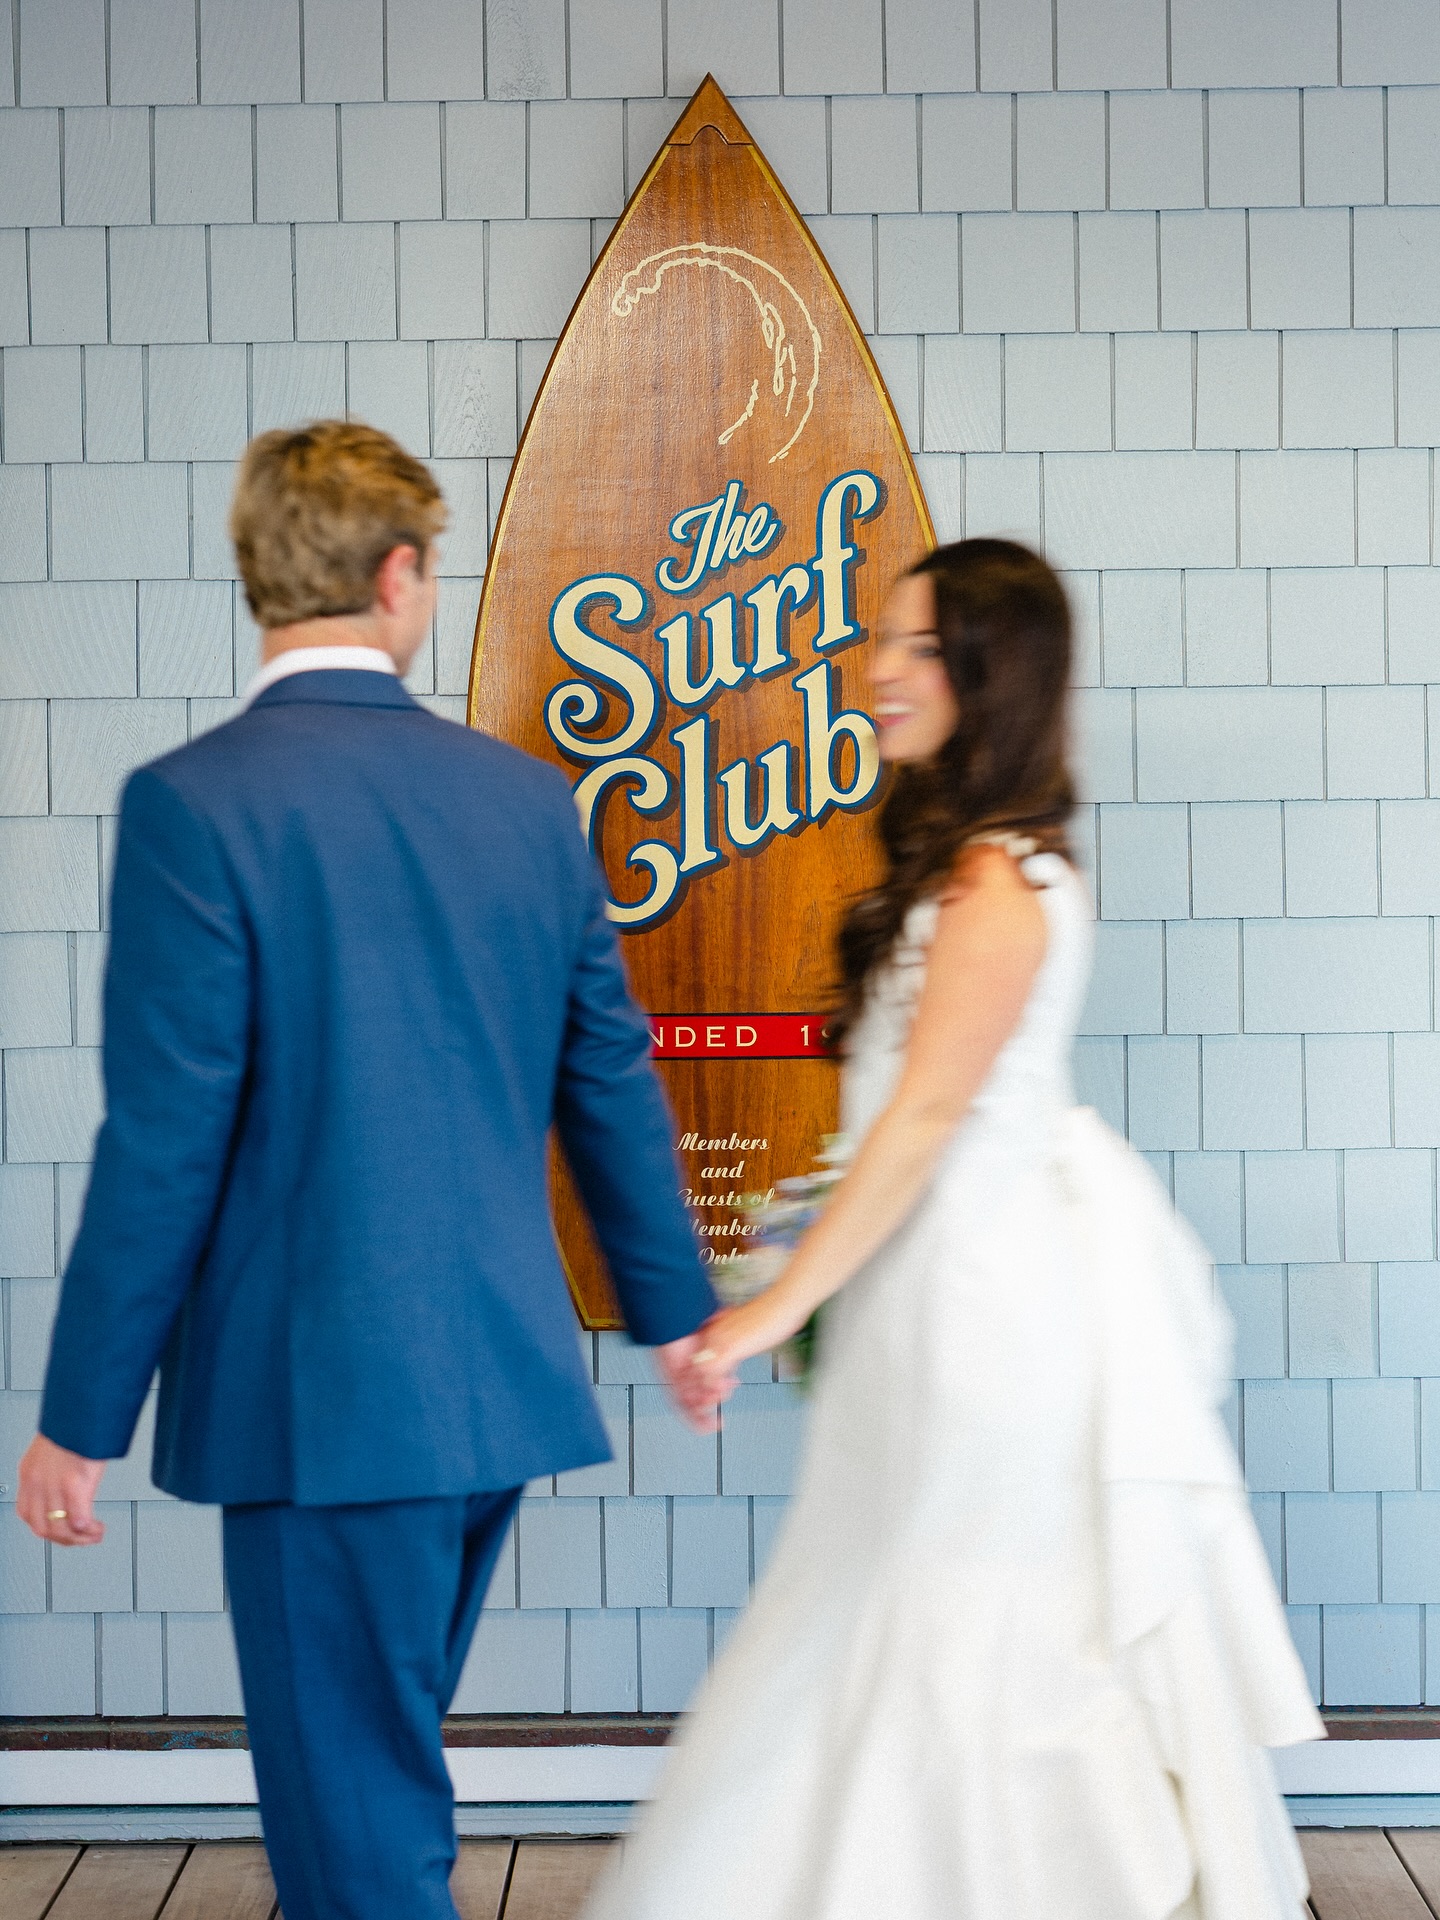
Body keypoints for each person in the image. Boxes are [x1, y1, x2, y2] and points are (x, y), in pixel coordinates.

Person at [16, 420, 720, 1920]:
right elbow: (607, 1078)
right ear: (399, 576)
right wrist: (674, 1315)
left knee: (356, 1833)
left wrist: (81, 1416)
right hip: (491, 1394)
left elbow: (163, 1138)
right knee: (372, 1778)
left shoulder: (196, 805)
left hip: (318, 1406)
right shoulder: (526, 801)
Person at [588, 539, 1323, 1920]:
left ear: (994, 679)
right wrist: (796, 1257)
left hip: (988, 1315)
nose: (877, 673)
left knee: (962, 1617)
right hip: (928, 1299)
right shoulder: (965, 873)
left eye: (917, 649)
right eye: (884, 643)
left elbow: (923, 1128)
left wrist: (768, 1308)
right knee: (892, 1600)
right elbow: (888, 1135)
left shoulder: (996, 888)